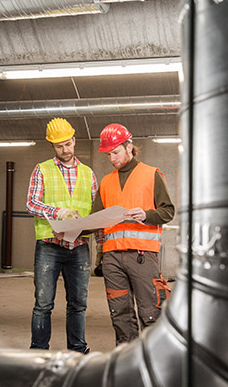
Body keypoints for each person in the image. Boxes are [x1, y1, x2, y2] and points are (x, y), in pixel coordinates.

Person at [92, 123, 175, 345]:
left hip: (143, 256)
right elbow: (95, 217)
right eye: (108, 154)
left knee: (151, 312)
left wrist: (146, 214)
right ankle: (127, 363)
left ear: (129, 147)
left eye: (116, 152)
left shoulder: (151, 174)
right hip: (112, 259)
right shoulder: (107, 182)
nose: (112, 158)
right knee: (120, 315)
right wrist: (72, 227)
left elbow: (168, 212)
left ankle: (155, 363)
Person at [26, 117, 97, 353]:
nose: (65, 150)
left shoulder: (88, 173)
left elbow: (96, 210)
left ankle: (77, 349)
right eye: (59, 146)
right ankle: (38, 351)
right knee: (43, 304)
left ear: (74, 140)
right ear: (52, 146)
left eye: (68, 144)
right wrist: (58, 211)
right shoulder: (42, 169)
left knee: (78, 304)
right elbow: (31, 204)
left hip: (79, 247)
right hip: (49, 246)